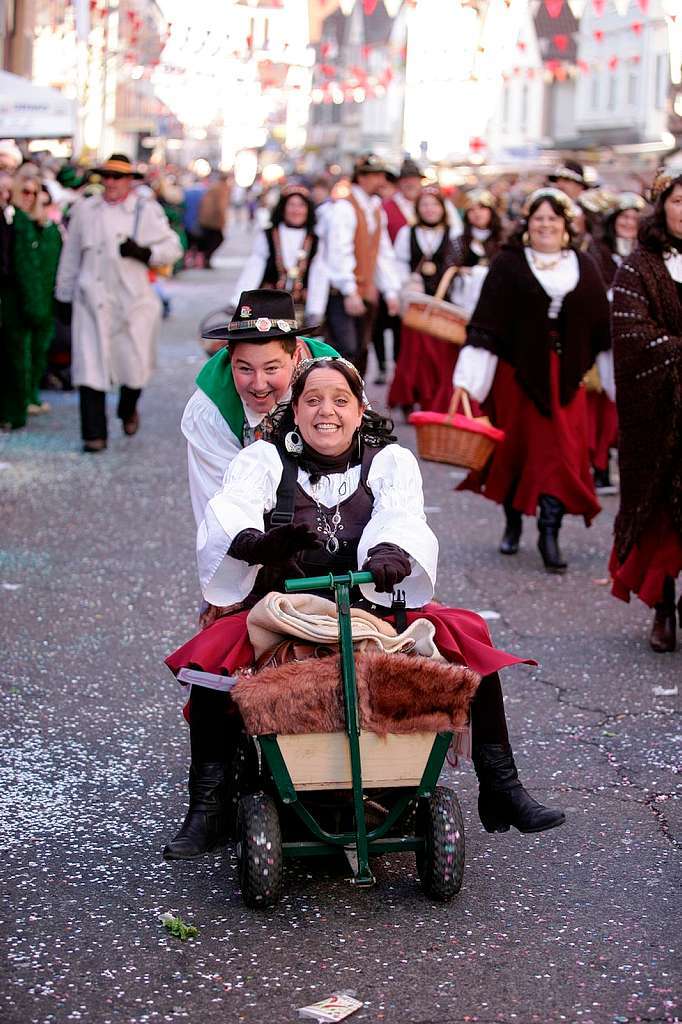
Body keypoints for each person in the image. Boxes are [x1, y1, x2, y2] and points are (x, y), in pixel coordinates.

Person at [163, 356, 565, 860]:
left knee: (470, 640)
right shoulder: (265, 461)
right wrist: (257, 543)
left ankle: (502, 787)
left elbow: (402, 515)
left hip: (372, 610)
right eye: (312, 400)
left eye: (339, 401)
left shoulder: (388, 462)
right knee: (210, 663)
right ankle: (208, 808)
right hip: (289, 612)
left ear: (359, 411)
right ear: (295, 411)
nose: (324, 412)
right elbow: (232, 507)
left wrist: (391, 552)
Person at [454, 187, 610, 571]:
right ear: (527, 225)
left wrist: (613, 381)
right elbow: (486, 322)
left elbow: (601, 328)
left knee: (561, 453)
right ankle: (512, 521)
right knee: (517, 447)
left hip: (566, 376)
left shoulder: (584, 264)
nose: (545, 225)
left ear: (566, 225)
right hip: (517, 374)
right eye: (538, 218)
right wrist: (468, 380)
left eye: (553, 219)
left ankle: (549, 531)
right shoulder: (508, 263)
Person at [54, 154, 182, 453]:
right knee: (89, 369)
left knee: (133, 366)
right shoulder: (85, 209)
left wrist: (144, 252)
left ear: (129, 181)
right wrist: (63, 294)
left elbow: (172, 247)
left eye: (117, 176)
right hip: (92, 299)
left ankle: (128, 408)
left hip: (133, 300)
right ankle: (94, 433)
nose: (110, 182)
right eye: (106, 176)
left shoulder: (145, 210)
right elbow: (71, 255)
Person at [181, 288, 338, 532]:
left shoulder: (336, 381)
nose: (258, 384)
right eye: (244, 369)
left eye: (272, 369)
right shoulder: (209, 408)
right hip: (252, 529)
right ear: (228, 355)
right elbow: (218, 505)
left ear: (296, 355)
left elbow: (365, 462)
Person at [608, 171, 682, 653]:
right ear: (664, 207)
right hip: (658, 416)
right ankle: (664, 606)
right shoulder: (639, 266)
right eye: (680, 201)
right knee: (662, 516)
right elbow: (633, 337)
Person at [585, 192, 646, 494]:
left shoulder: (648, 252)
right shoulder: (597, 250)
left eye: (635, 218)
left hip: (639, 342)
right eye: (624, 217)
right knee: (604, 405)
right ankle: (599, 465)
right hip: (605, 340)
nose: (628, 223)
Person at [388, 185, 463, 414]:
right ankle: (410, 396)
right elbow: (398, 261)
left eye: (434, 205)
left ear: (442, 208)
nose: (430, 210)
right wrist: (405, 283)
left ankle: (436, 397)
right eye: (425, 205)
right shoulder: (407, 233)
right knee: (413, 352)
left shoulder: (454, 233)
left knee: (440, 353)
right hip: (416, 303)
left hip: (445, 303)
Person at [325, 154, 401, 376]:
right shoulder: (344, 208)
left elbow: (382, 253)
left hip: (364, 293)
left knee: (359, 351)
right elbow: (339, 252)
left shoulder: (375, 209)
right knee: (344, 353)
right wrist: (349, 291)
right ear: (362, 177)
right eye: (377, 175)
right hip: (341, 293)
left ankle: (356, 406)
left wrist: (390, 290)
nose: (382, 181)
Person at [0, 175, 61, 428]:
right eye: (24, 191)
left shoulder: (41, 226)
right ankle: (14, 410)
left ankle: (23, 402)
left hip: (37, 301)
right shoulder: (17, 222)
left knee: (31, 355)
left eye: (34, 193)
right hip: (20, 303)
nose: (29, 197)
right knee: (18, 357)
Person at [229, 184, 328, 325]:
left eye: (301, 205)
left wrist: (315, 311)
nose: (296, 210)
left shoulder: (316, 239)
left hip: (300, 308)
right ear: (283, 208)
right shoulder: (268, 235)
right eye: (291, 205)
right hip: (268, 306)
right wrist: (237, 301)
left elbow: (319, 275)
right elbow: (254, 267)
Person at [198, 172, 231, 268]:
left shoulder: (215, 187)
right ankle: (206, 258)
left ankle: (206, 258)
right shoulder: (221, 189)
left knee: (211, 240)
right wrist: (223, 221)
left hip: (207, 219)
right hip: (213, 220)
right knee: (217, 239)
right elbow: (221, 206)